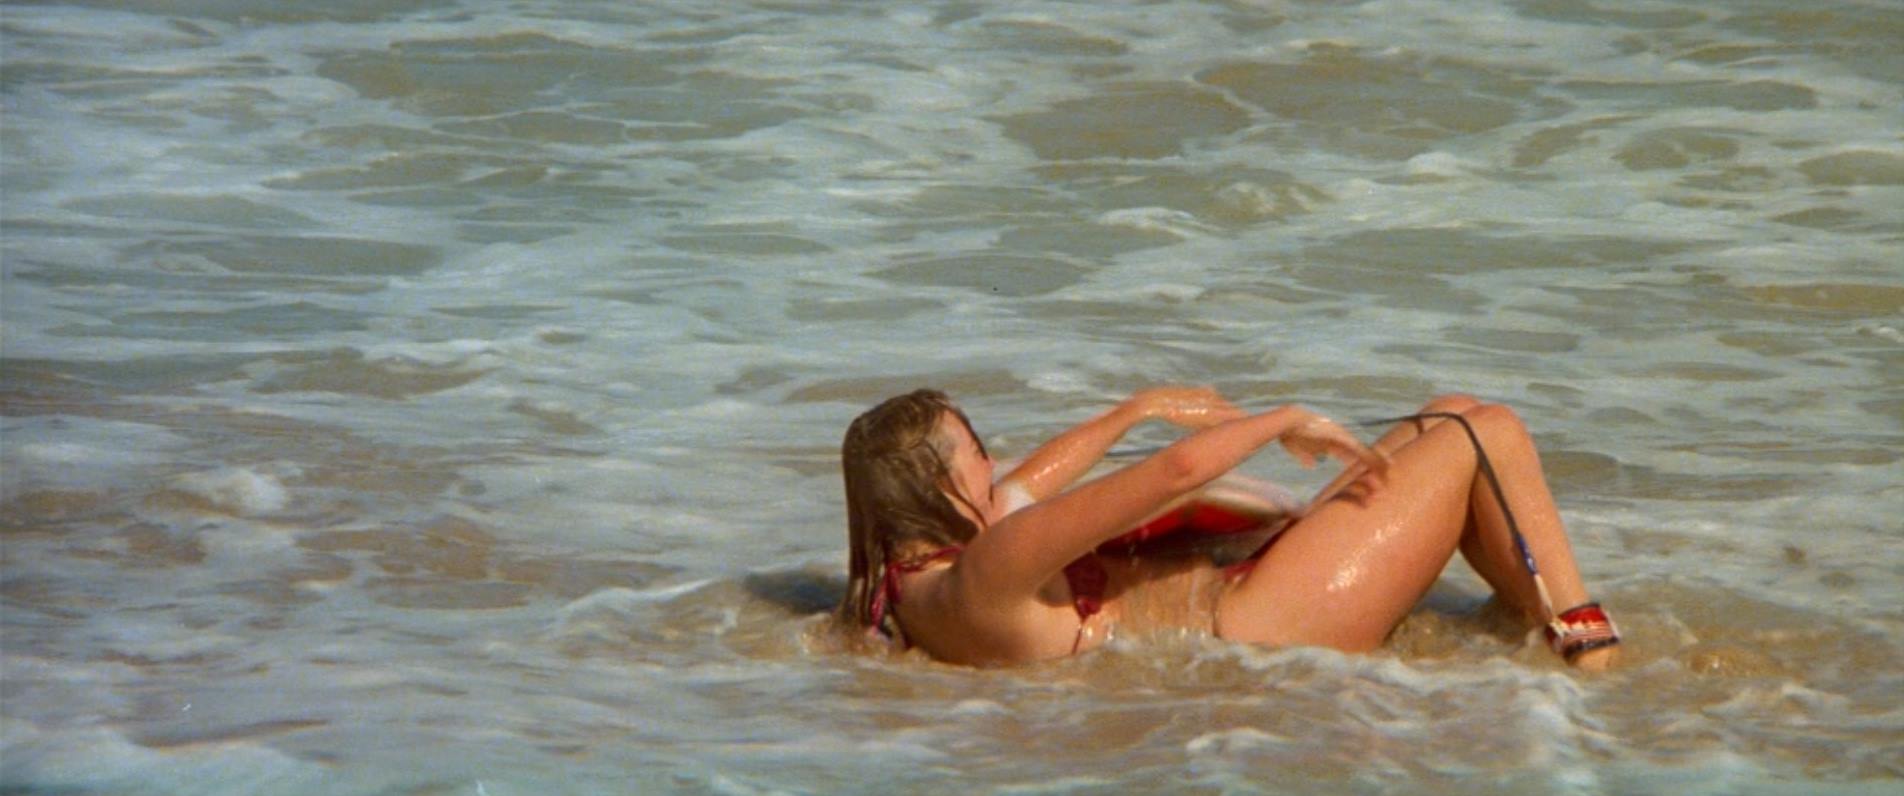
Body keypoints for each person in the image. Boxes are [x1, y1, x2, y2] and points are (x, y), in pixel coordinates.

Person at [835, 387, 1620, 671]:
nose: (994, 460)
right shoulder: (993, 562)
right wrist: (1286, 418)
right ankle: (1593, 658)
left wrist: (1139, 408)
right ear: (939, 487)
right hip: (1261, 625)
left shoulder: (917, 583)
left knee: (1449, 412)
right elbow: (1176, 472)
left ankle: (1528, 624)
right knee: (1487, 432)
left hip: (1243, 603)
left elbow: (1030, 481)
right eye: (976, 450)